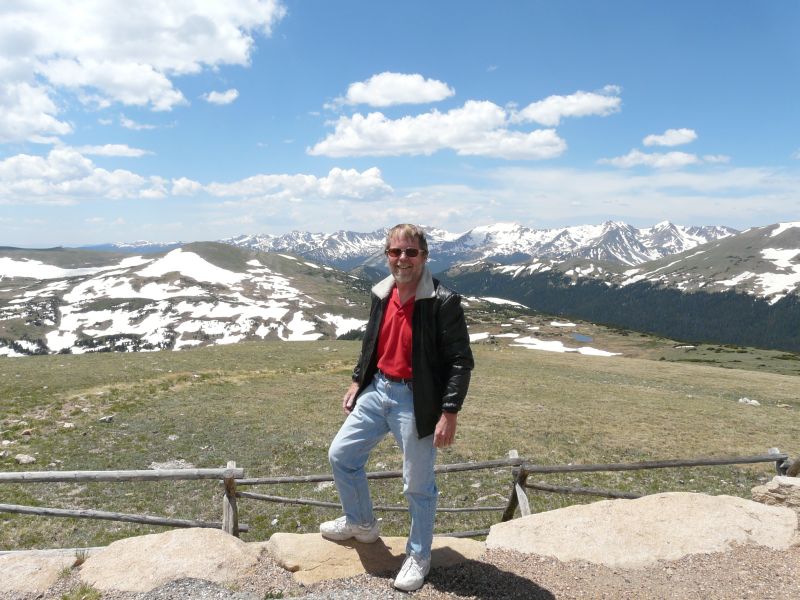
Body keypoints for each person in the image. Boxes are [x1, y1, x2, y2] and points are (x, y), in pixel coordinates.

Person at [320, 223, 474, 591]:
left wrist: (449, 411)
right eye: (395, 252)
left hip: (416, 399)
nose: (402, 259)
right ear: (387, 255)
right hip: (378, 389)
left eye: (410, 252)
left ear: (424, 256)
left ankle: (419, 555)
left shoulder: (442, 301)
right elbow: (372, 341)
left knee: (418, 484)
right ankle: (361, 524)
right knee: (342, 455)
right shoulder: (383, 292)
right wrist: (357, 380)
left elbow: (460, 361)